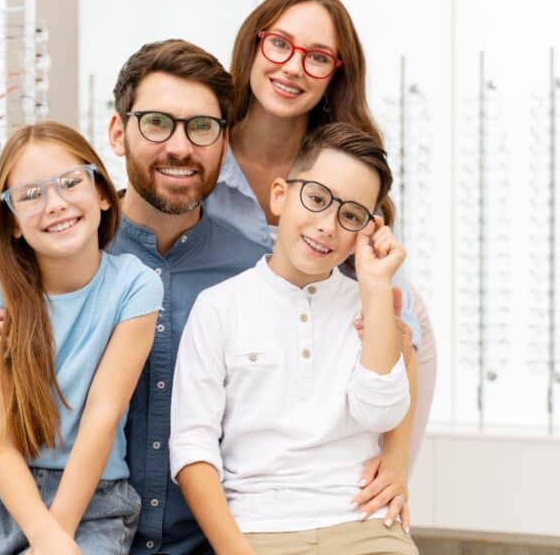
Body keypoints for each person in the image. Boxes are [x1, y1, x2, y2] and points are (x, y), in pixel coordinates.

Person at [0, 40, 268, 554]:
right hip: (47, 520)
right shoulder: (52, 255)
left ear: (224, 143)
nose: (180, 147)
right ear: (117, 133)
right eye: (157, 122)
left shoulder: (256, 273)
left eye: (202, 127)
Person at [205, 0, 438, 530]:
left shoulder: (344, 164)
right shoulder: (204, 155)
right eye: (280, 44)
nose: (293, 68)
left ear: (336, 72)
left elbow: (408, 329)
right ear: (254, 45)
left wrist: (397, 457)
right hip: (235, 427)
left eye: (317, 58)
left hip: (325, 457)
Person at [172, 123, 419, 555]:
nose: (327, 226)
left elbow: (381, 412)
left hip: (363, 525)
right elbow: (193, 448)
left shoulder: (370, 306)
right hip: (256, 531)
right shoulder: (218, 307)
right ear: (281, 195)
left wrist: (376, 287)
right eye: (318, 199)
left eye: (351, 215)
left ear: (368, 229)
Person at [0, 122, 163, 554]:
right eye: (31, 195)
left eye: (70, 183)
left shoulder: (137, 287)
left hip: (92, 499)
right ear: (14, 223)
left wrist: (55, 539)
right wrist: (43, 535)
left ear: (101, 193)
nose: (54, 204)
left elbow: (102, 416)